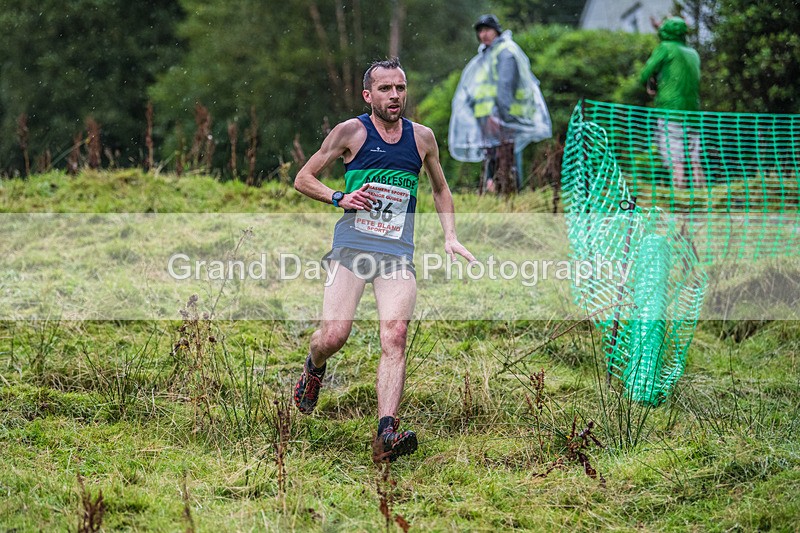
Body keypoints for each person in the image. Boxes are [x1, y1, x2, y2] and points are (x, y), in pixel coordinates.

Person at [292, 58, 475, 462]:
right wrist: (341, 197)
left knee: (394, 335)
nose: (395, 96)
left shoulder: (423, 138)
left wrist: (450, 236)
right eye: (386, 89)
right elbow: (303, 178)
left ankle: (385, 435)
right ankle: (314, 365)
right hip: (352, 248)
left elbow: (440, 189)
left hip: (396, 253)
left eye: (401, 88)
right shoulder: (351, 132)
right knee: (334, 336)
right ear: (368, 95)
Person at [449, 14, 552, 194]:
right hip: (487, 118)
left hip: (500, 117)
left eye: (487, 30)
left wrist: (501, 117)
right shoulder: (486, 55)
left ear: (496, 30)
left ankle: (513, 196)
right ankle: (499, 194)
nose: (483, 35)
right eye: (480, 31)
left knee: (507, 157)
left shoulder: (505, 52)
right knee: (495, 158)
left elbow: (505, 88)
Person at [639, 16, 704, 188]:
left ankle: (680, 199)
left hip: (670, 110)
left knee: (675, 158)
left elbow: (644, 74)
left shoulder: (665, 48)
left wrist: (652, 81)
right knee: (694, 158)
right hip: (693, 112)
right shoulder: (693, 53)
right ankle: (703, 199)